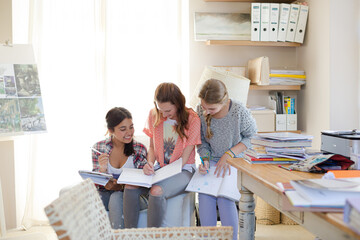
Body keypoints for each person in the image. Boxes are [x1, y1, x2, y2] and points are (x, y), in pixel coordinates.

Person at [123, 82, 201, 228]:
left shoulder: (193, 119)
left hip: (183, 170)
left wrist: (164, 173)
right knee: (130, 186)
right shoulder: (154, 115)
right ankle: (129, 234)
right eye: (160, 109)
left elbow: (185, 157)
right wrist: (150, 164)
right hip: (160, 168)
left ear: (178, 104)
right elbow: (152, 147)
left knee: (156, 190)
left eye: (168, 110)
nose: (164, 114)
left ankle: (153, 236)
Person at [196, 79, 257, 240]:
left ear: (223, 102)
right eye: (204, 107)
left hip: (235, 160)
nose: (206, 111)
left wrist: (229, 154)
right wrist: (206, 160)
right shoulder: (200, 112)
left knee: (225, 197)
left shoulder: (238, 111)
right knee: (204, 195)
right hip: (213, 162)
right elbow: (201, 142)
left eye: (211, 108)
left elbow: (253, 137)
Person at [91, 107, 148, 229]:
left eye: (131, 127)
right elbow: (96, 184)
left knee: (116, 197)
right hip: (107, 193)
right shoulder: (99, 148)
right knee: (92, 199)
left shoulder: (139, 149)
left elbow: (145, 183)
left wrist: (121, 186)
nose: (129, 132)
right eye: (123, 129)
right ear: (111, 130)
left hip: (134, 197)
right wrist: (102, 171)